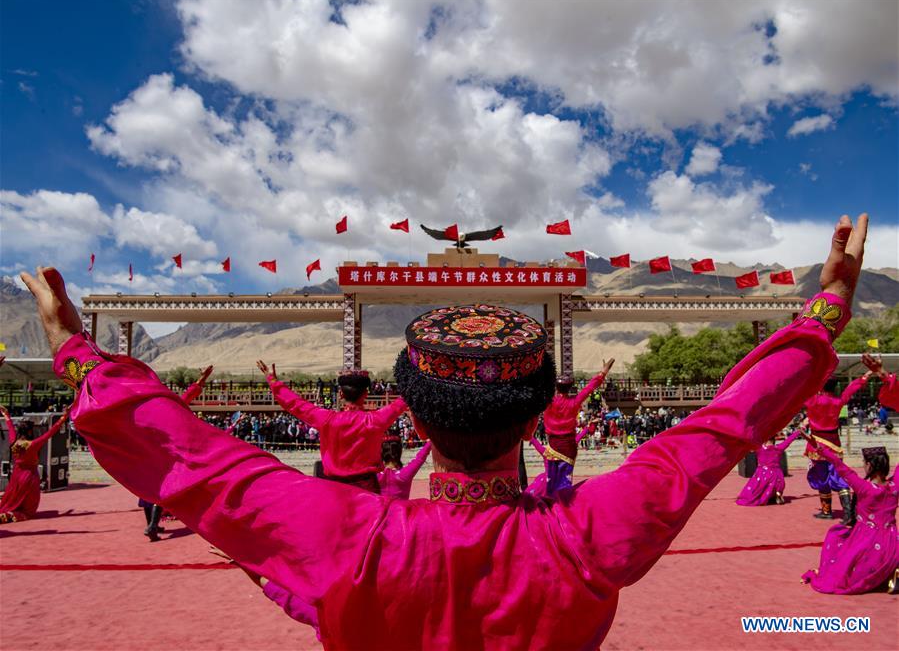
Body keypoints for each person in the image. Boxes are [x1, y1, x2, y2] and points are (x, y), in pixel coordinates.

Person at [20, 213, 868, 648]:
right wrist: (823, 310)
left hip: (345, 523)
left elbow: (188, 454)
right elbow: (723, 426)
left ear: (411, 414)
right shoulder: (592, 532)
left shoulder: (338, 533)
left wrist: (79, 356)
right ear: (540, 416)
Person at [257, 360, 407, 493]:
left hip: (334, 489)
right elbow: (402, 402)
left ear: (340, 394)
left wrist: (274, 381)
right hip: (367, 488)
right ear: (366, 394)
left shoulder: (327, 419)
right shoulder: (375, 420)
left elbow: (296, 404)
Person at [801, 440, 898, 594]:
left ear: (870, 466)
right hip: (893, 542)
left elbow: (841, 467)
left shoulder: (864, 487)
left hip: (868, 539)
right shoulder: (894, 486)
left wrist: (817, 447)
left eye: (864, 463)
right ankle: (892, 571)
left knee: (836, 536)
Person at [141, 366, 214, 542]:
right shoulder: (167, 408)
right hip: (165, 457)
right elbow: (186, 398)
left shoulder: (144, 411)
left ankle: (152, 524)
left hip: (147, 456)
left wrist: (200, 380)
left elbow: (186, 396)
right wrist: (201, 380)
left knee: (146, 492)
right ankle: (152, 526)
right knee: (162, 493)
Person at [804, 370, 872, 523]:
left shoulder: (812, 400)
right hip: (834, 443)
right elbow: (850, 389)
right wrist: (865, 376)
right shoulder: (838, 401)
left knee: (821, 476)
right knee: (837, 475)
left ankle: (828, 510)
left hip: (817, 443)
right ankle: (847, 512)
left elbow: (798, 390)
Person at [541, 362, 614, 494]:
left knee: (551, 480)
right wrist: (602, 373)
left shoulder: (548, 400)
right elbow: (589, 388)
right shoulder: (574, 402)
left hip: (552, 445)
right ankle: (565, 506)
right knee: (565, 481)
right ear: (569, 388)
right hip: (569, 446)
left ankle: (550, 505)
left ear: (556, 387)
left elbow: (538, 387)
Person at [0, 406, 69, 523]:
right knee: (29, 509)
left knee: (13, 499)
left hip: (16, 476)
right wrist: (63, 418)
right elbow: (50, 433)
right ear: (30, 431)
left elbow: (11, 428)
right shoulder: (33, 444)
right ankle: (12, 515)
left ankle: (8, 513)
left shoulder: (14, 443)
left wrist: (6, 415)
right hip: (29, 476)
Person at [736, 424, 804, 506]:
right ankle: (777, 493)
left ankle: (764, 496)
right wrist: (799, 431)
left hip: (762, 474)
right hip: (777, 475)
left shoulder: (759, 448)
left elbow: (748, 443)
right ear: (774, 440)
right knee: (775, 483)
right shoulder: (779, 447)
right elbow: (789, 440)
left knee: (755, 488)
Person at [527, 425, 594, 497]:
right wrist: (587, 429)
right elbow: (577, 438)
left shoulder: (546, 452)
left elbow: (536, 444)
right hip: (564, 486)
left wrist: (530, 437)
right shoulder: (568, 451)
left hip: (547, 486)